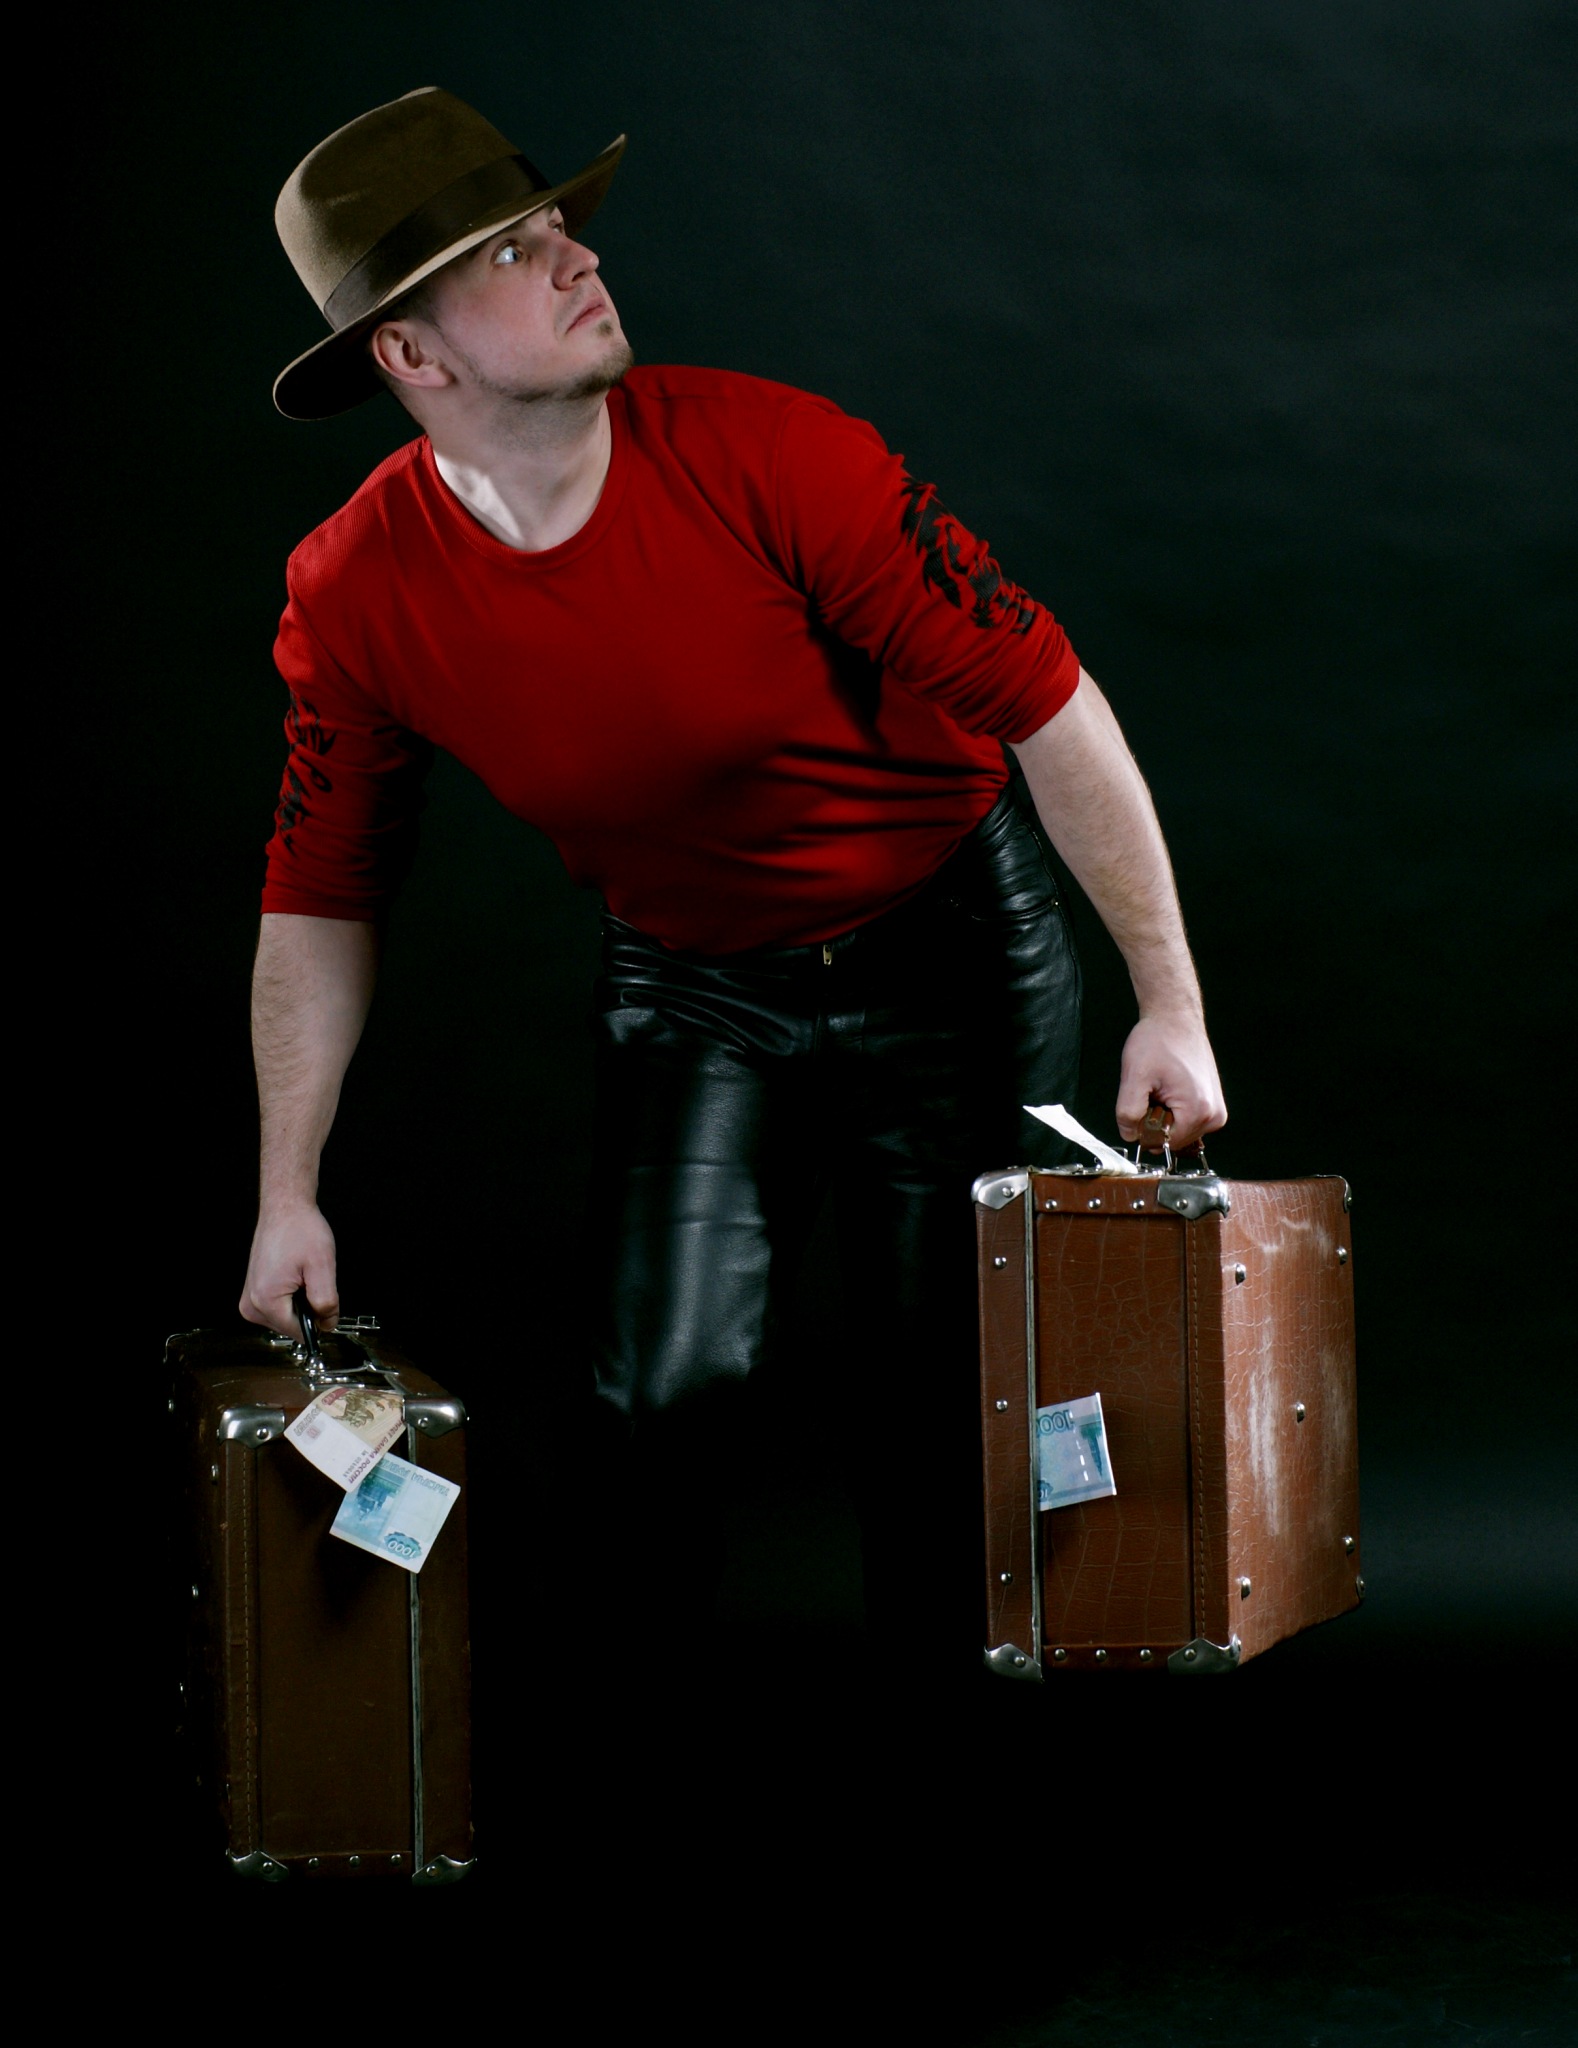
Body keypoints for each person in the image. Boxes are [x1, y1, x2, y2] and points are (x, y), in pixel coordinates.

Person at [240, 87, 1226, 1667]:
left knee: (942, 1400)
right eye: (510, 253)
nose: (577, 257)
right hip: (698, 986)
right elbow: (320, 892)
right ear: (409, 355)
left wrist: (1167, 1002)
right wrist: (287, 1193)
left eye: (556, 225)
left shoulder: (777, 454)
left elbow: (1047, 706)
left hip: (948, 948)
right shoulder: (353, 589)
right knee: (660, 1388)